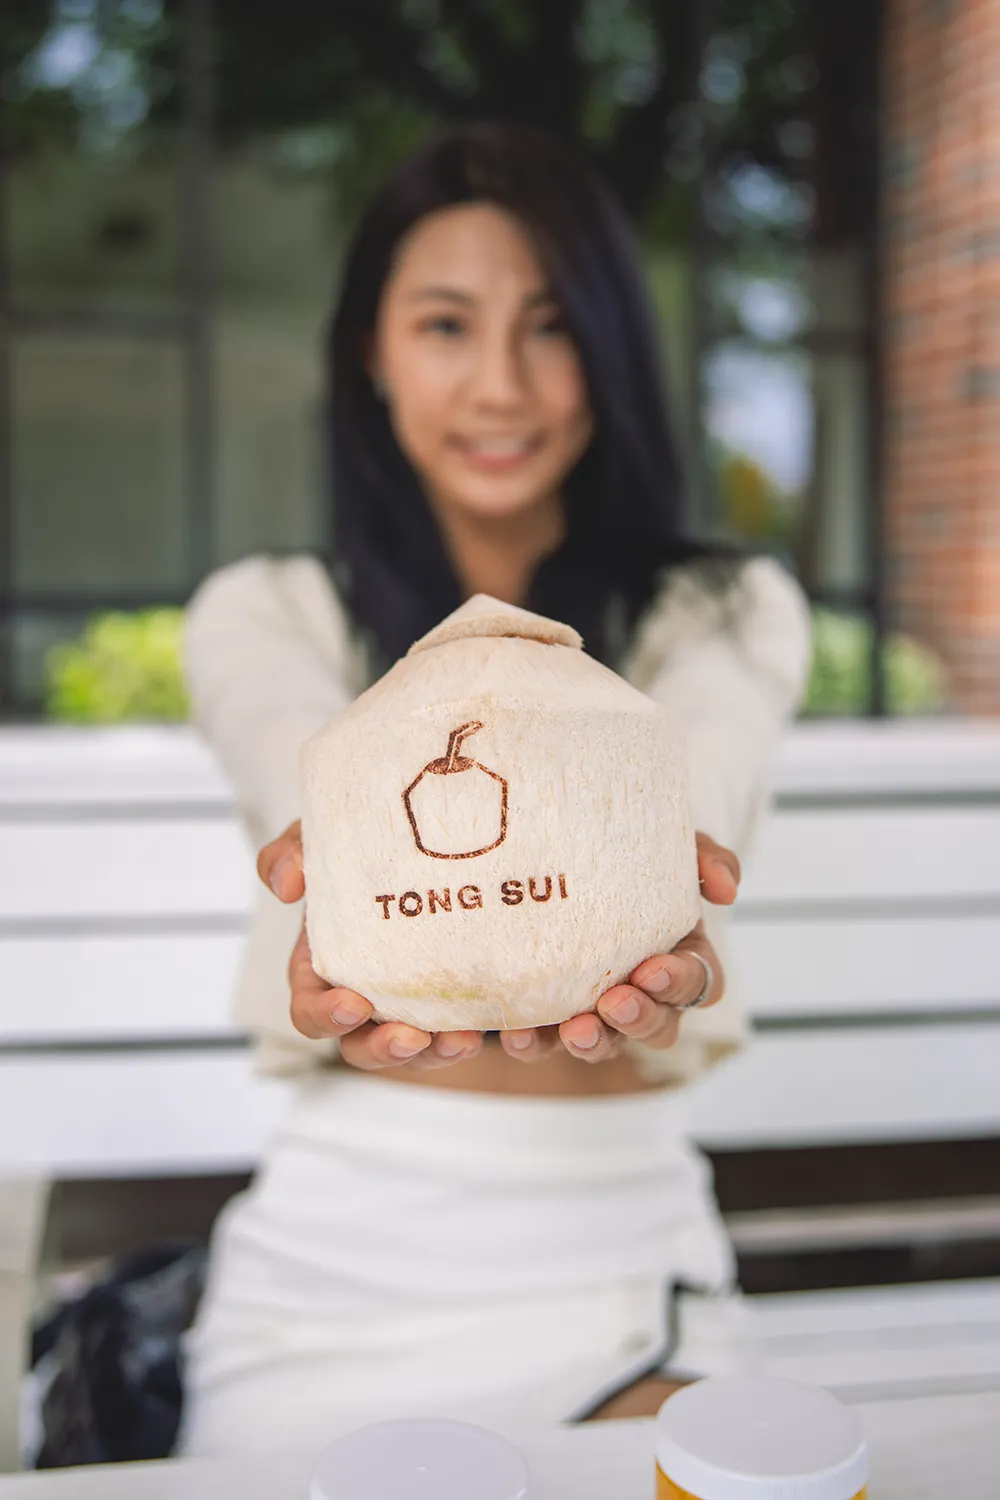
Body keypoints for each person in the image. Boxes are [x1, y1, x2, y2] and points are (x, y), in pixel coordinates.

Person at [178, 122, 812, 1456]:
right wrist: (328, 861)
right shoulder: (267, 613)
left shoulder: (726, 609)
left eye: (552, 326)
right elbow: (307, 772)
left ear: (612, 350)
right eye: (447, 326)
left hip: (622, 1253)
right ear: (372, 352)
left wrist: (669, 867)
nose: (503, 388)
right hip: (336, 1256)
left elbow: (703, 774)